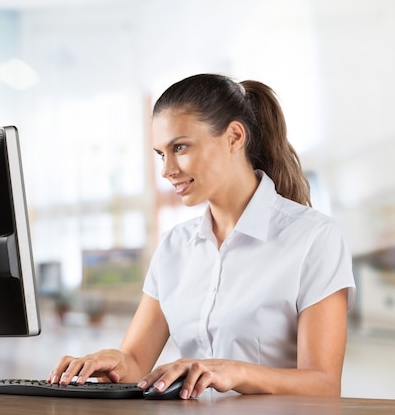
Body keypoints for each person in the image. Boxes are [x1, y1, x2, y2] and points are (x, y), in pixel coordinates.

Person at [47, 73, 356, 399]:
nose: (167, 170)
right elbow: (136, 361)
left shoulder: (314, 238)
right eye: (161, 154)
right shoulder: (173, 247)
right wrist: (112, 362)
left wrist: (234, 371)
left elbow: (323, 384)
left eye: (180, 147)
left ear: (235, 137)